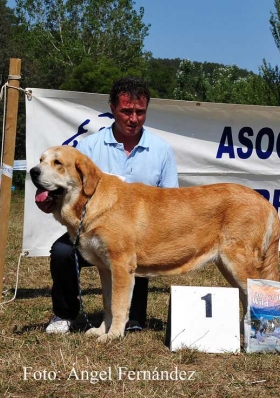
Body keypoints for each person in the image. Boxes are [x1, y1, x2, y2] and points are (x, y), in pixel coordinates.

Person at [38, 76, 179, 334]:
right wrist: (50, 201)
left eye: (140, 112)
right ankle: (65, 314)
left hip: (138, 234)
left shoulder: (161, 150)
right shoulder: (88, 148)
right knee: (61, 253)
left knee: (131, 245)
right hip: (90, 230)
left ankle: (130, 318)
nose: (133, 118)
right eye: (126, 111)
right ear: (112, 108)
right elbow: (67, 189)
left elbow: (171, 200)